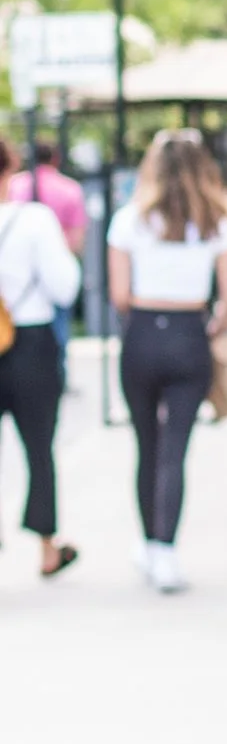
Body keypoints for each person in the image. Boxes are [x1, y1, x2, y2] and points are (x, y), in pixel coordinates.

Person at [107, 128, 227, 592]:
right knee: (176, 450)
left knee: (145, 445)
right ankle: (166, 549)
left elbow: (119, 295)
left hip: (143, 331)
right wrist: (211, 328)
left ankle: (147, 542)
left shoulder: (129, 220)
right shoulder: (217, 222)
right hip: (189, 334)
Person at [0, 133, 85, 578]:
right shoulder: (33, 220)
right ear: (10, 169)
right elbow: (65, 286)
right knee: (39, 449)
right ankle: (48, 549)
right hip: (30, 342)